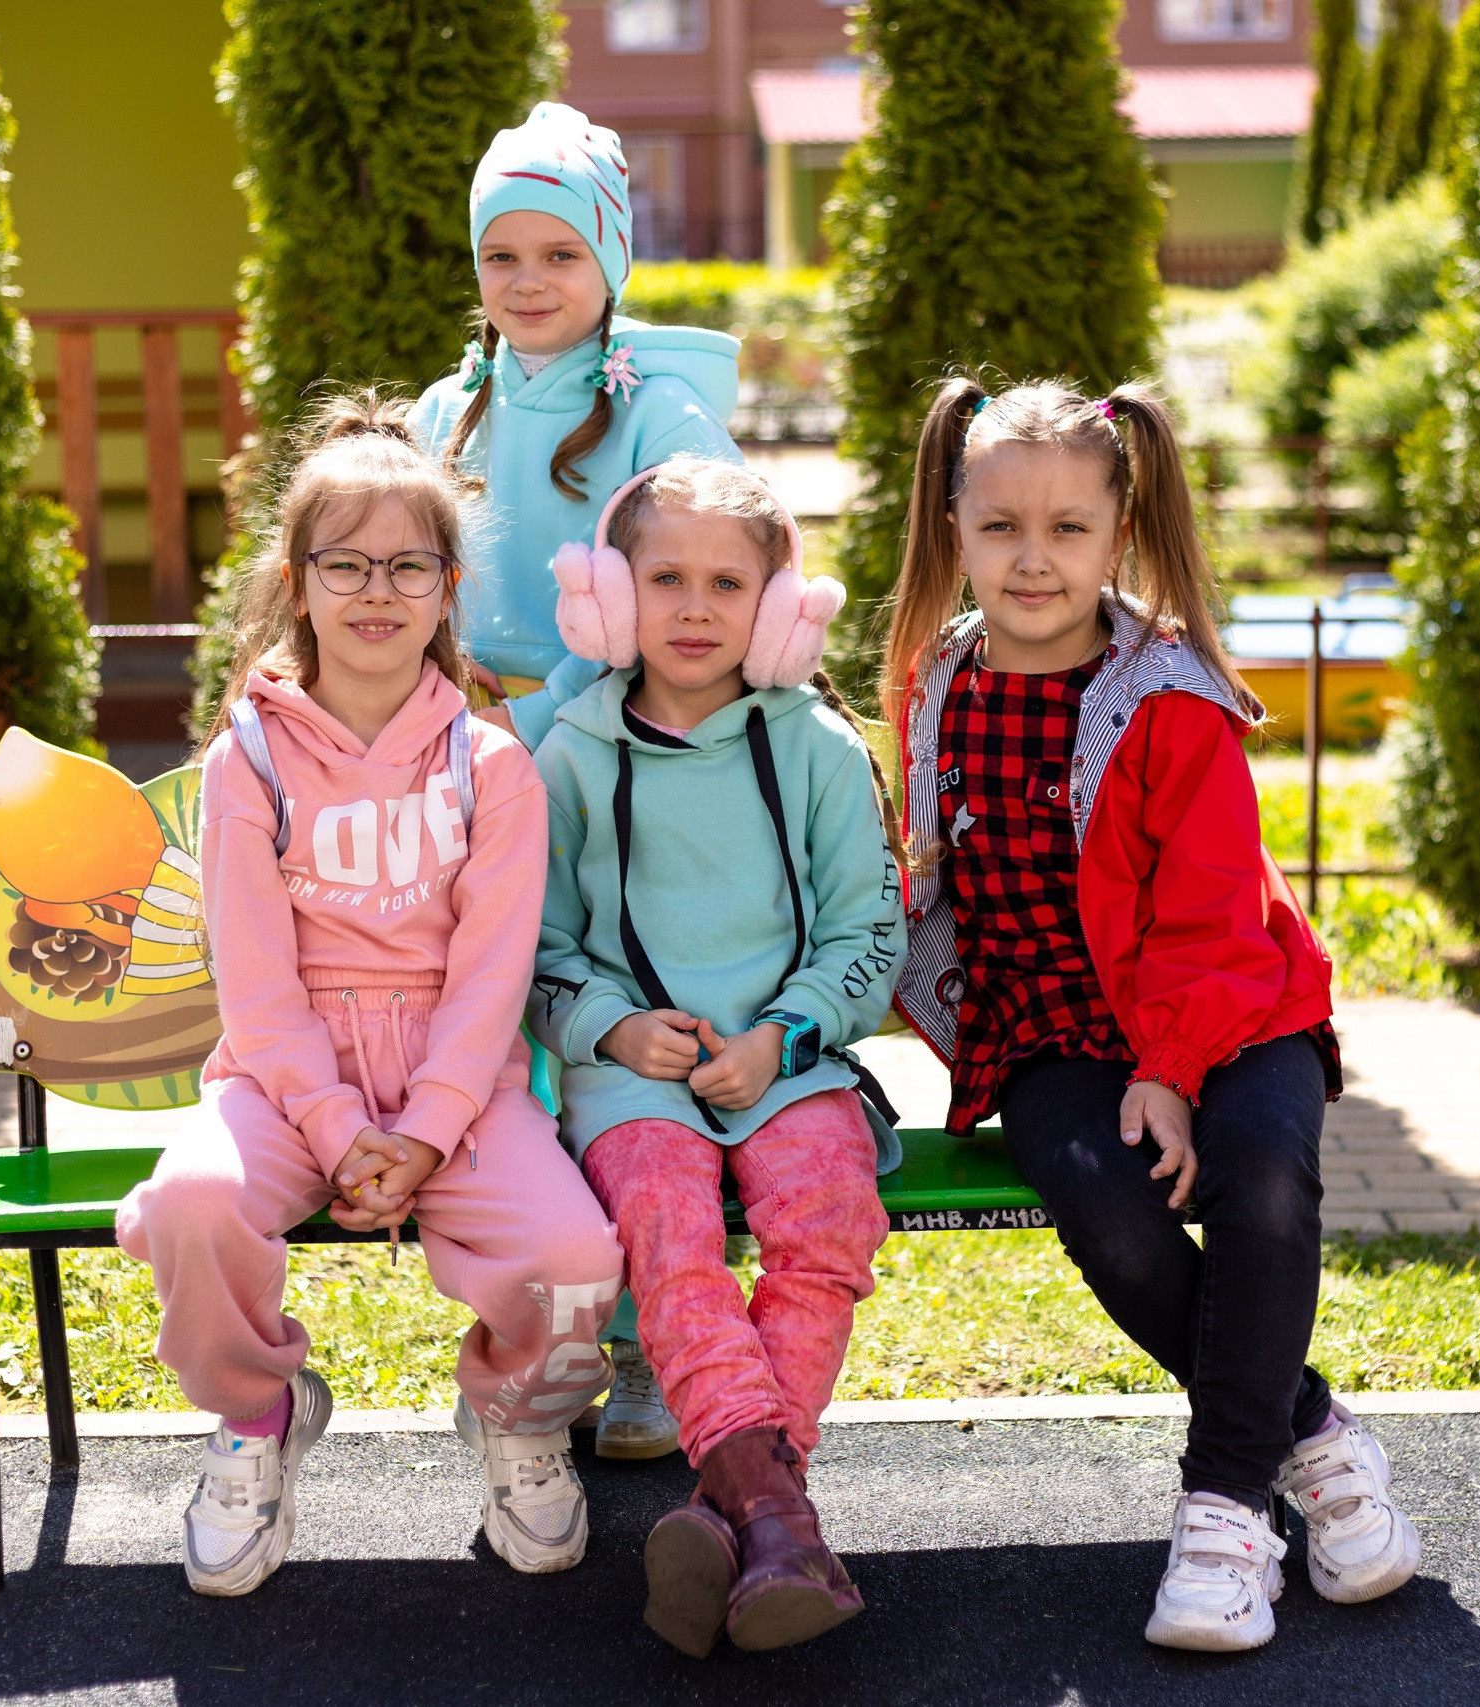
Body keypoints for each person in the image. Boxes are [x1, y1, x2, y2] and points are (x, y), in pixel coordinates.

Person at [878, 377, 1423, 1653]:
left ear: (1118, 535)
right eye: (1001, 524)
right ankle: (1313, 1438)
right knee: (1112, 1217)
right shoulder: (936, 685)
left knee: (1262, 1182)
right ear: (953, 524)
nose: (1032, 557)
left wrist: (1172, 1066)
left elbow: (1211, 912)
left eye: (1069, 528)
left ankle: (1226, 1511)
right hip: (1055, 1029)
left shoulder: (1165, 697)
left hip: (1233, 1006)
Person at [115, 392, 626, 1597]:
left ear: (450, 586)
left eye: (408, 565)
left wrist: (428, 1128)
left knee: (572, 1254)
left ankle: (512, 1413)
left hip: (457, 1090)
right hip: (289, 1088)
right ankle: (257, 1418)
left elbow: (493, 977)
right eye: (344, 564)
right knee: (193, 1203)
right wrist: (341, 1130)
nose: (376, 592)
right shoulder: (247, 758)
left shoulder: (491, 765)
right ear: (297, 582)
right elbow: (256, 980)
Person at [410, 101, 747, 1457]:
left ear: (613, 257)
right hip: (469, 781)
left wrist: (550, 707)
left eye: (560, 251)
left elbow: (700, 598)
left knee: (625, 1058)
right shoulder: (451, 406)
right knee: (500, 1066)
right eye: (505, 255)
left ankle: (656, 1340)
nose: (530, 282)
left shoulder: (659, 410)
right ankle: (539, 1327)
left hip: (615, 773)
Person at [526, 457, 906, 1656]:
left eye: (729, 583)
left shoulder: (822, 751)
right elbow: (532, 955)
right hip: (630, 1073)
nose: (696, 608)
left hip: (787, 1059)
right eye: (666, 578)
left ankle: (735, 1510)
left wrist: (783, 1034)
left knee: (829, 1216)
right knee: (667, 1231)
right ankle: (781, 1523)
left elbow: (870, 933)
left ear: (780, 606)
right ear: (606, 596)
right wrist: (611, 1026)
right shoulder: (571, 757)